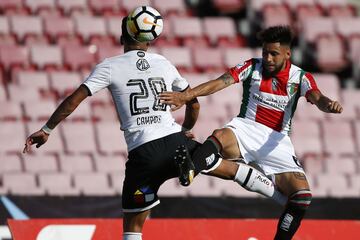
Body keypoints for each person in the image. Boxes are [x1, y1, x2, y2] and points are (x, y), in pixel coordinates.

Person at [23, 15, 285, 240]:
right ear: (150, 40)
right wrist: (186, 131)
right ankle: (284, 200)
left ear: (123, 33)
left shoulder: (109, 66)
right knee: (228, 169)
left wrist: (47, 129)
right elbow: (193, 104)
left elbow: (74, 100)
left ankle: (188, 169)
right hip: (174, 141)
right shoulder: (163, 63)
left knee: (133, 225)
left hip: (143, 154)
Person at [160, 25, 343, 240]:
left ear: (287, 54)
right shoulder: (252, 67)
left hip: (277, 141)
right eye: (265, 52)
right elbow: (220, 83)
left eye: (273, 53)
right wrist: (185, 96)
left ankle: (195, 159)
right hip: (245, 128)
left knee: (302, 197)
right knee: (221, 136)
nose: (268, 58)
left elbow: (317, 97)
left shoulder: (300, 78)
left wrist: (328, 104)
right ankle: (190, 171)